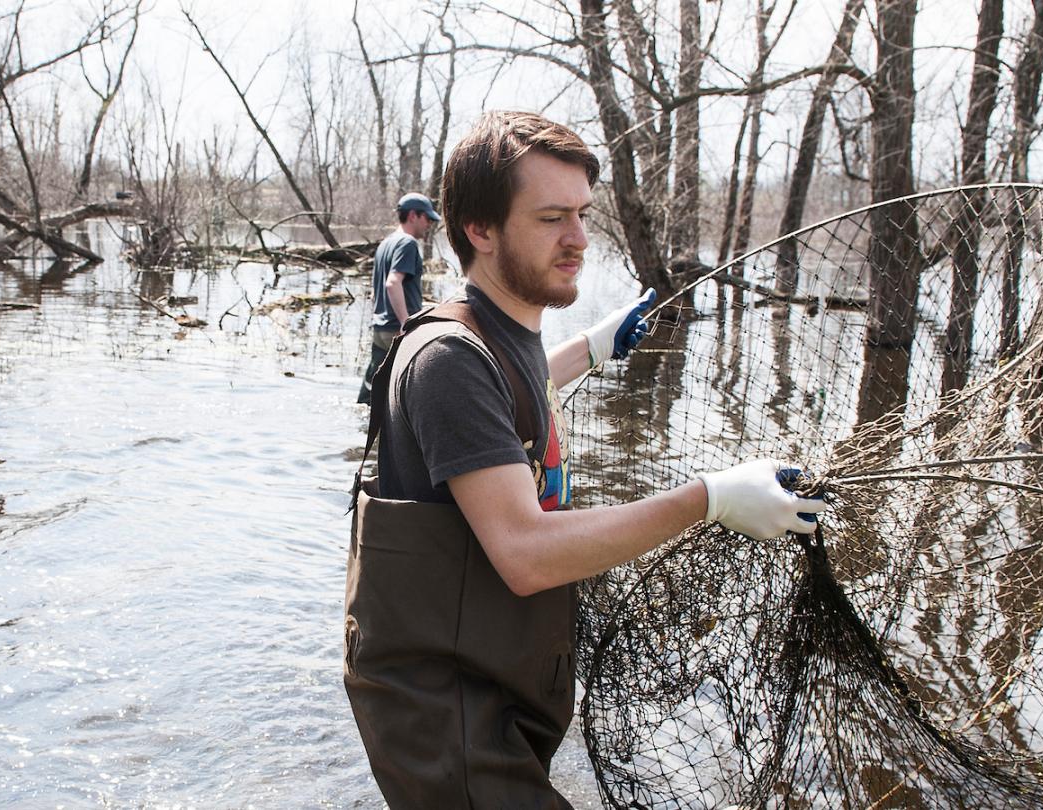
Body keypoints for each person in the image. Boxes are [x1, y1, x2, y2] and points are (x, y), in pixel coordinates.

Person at [342, 111, 828, 807]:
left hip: (493, 682)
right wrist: (710, 498)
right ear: (480, 229)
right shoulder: (448, 357)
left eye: (582, 214)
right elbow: (525, 550)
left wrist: (593, 349)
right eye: (550, 219)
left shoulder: (502, 330)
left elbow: (515, 389)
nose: (578, 241)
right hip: (445, 713)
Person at [357, 192, 440, 403]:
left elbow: (380, 288)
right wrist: (406, 322)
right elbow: (392, 283)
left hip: (380, 329)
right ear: (413, 216)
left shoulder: (386, 244)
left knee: (371, 394)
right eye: (427, 218)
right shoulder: (407, 244)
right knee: (400, 399)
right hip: (396, 329)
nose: (429, 224)